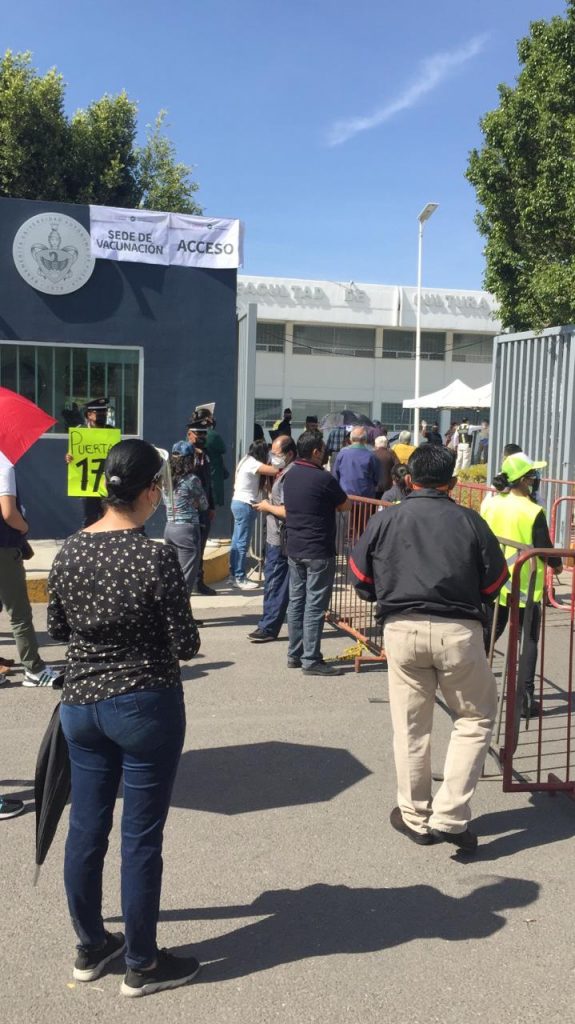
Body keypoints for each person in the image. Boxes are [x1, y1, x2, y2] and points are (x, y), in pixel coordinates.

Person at [48, 439, 202, 997]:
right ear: (150, 493)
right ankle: (142, 963)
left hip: (81, 706)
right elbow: (185, 643)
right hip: (144, 703)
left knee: (86, 829)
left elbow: (60, 631)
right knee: (140, 838)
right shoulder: (154, 555)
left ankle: (91, 945)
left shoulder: (68, 550)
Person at [350, 445, 508, 853]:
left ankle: (415, 816)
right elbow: (495, 581)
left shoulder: (388, 519)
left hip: (401, 629)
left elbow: (360, 577)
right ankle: (451, 816)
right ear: (453, 483)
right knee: (474, 719)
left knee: (411, 727)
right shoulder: (470, 520)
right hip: (459, 630)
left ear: (408, 479)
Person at [481, 452, 562, 717]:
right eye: (532, 475)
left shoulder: (491, 504)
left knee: (489, 634)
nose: (535, 480)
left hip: (496, 581)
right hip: (525, 585)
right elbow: (544, 548)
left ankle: (467, 684)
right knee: (527, 641)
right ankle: (525, 699)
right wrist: (557, 566)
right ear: (523, 480)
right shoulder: (532, 510)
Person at [283, 430, 350, 676]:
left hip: (295, 547)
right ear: (315, 452)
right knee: (314, 605)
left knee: (296, 602)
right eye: (323, 450)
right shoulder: (323, 478)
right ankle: (311, 659)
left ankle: (295, 653)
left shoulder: (290, 475)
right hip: (318, 549)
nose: (325, 454)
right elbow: (345, 504)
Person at [0, 456, 60, 689]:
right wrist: (24, 526)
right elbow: (8, 513)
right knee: (20, 614)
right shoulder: (4, 466)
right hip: (4, 548)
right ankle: (34, 669)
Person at [248, 435, 297, 642]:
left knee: (276, 583)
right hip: (273, 536)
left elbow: (287, 510)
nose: (273, 458)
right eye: (273, 454)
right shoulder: (281, 473)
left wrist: (267, 506)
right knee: (272, 582)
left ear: (290, 454)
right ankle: (267, 622)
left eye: (277, 455)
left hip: (280, 537)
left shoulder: (290, 475)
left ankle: (269, 626)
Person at [163, 441, 209, 619]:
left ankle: (175, 613)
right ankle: (180, 617)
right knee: (186, 576)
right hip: (187, 529)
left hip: (170, 527)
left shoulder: (166, 479)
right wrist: (195, 502)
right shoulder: (192, 480)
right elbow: (204, 504)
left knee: (174, 574)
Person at [230, 440, 278, 589]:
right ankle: (240, 577)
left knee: (237, 541)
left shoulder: (245, 460)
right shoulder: (253, 463)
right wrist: (276, 460)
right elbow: (274, 471)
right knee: (243, 542)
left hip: (238, 502)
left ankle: (234, 575)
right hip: (246, 504)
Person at [65, 397, 111, 528]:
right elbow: (74, 457)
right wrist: (69, 458)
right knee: (89, 520)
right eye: (99, 413)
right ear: (89, 415)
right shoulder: (81, 433)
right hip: (88, 486)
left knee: (108, 519)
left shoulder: (111, 431)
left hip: (106, 485)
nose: (103, 415)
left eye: (105, 412)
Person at [186, 412, 217, 597]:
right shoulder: (184, 453)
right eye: (199, 434)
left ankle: (199, 581)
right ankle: (191, 583)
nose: (202, 437)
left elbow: (208, 483)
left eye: (204, 434)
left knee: (202, 546)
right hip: (189, 509)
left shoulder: (204, 454)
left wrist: (211, 506)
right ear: (190, 434)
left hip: (203, 508)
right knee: (191, 550)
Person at [332, 426, 379, 498]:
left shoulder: (342, 454)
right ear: (365, 440)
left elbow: (335, 476)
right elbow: (376, 479)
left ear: (350, 439)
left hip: (345, 497)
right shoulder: (371, 456)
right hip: (366, 499)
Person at [202, 409, 228, 509]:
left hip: (200, 478)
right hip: (212, 476)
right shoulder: (213, 435)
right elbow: (223, 449)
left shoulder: (190, 435)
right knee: (209, 510)